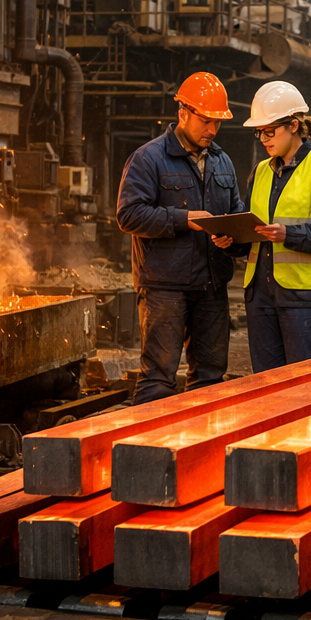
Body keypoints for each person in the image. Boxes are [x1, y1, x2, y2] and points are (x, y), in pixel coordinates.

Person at [116, 71, 247, 404]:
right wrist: (185, 219)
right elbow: (129, 215)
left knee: (210, 379)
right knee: (158, 379)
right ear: (183, 113)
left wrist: (233, 239)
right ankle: (148, 452)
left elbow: (234, 213)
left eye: (218, 123)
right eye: (205, 121)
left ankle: (197, 452)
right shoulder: (149, 158)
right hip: (165, 288)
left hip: (212, 286)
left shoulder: (222, 162)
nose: (212, 130)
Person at [242, 81, 311, 372]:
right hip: (262, 297)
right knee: (264, 387)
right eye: (259, 132)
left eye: (269, 131)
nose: (263, 139)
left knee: (304, 387)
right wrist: (232, 240)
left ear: (293, 125)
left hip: (308, 299)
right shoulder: (260, 172)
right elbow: (250, 225)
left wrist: (289, 235)